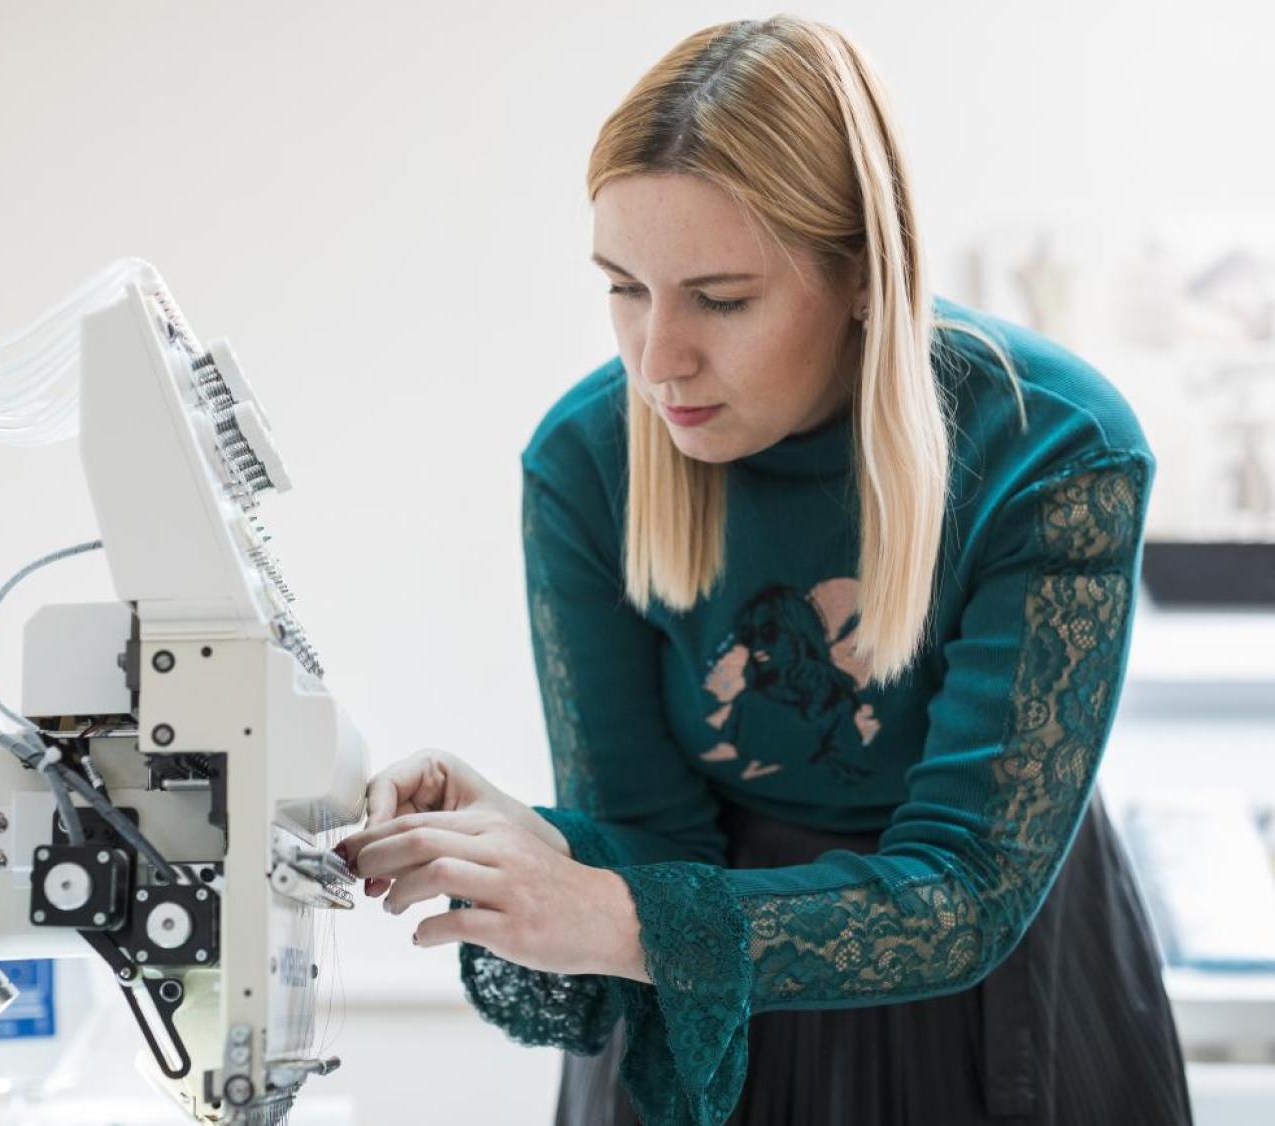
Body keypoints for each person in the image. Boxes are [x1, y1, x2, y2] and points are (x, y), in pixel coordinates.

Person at [333, 14, 1192, 1125]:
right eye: (622, 287)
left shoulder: (1051, 449)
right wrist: (527, 840)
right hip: (703, 1008)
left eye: (720, 299)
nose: (655, 359)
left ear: (859, 276)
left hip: (997, 1002)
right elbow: (651, 834)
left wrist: (605, 913)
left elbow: (966, 894)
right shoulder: (585, 461)